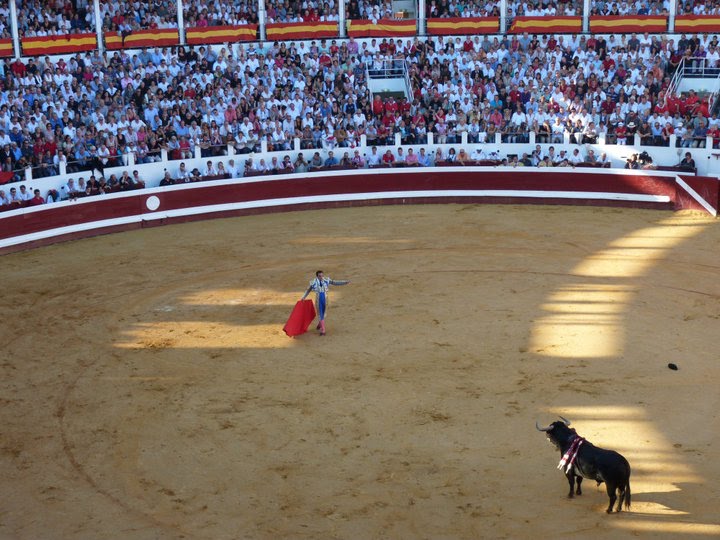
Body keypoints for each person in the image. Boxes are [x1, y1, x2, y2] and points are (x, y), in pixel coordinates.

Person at [300, 270, 350, 336]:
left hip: (325, 299)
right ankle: (323, 331)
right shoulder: (313, 282)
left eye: (322, 275)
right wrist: (303, 297)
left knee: (324, 314)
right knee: (320, 314)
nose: (321, 277)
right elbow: (308, 290)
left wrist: (344, 282)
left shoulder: (326, 280)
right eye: (320, 276)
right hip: (318, 300)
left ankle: (320, 323)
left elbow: (335, 282)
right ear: (317, 276)